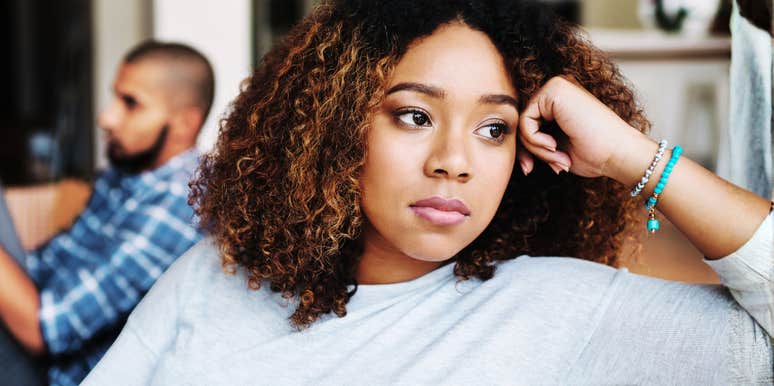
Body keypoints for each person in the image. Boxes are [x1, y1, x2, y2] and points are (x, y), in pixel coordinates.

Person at [85, 1, 773, 384]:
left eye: (495, 128)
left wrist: (637, 158)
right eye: (414, 115)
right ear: (334, 124)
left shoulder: (561, 309)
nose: (454, 162)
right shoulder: (214, 275)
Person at [0, 41, 214, 386]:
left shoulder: (177, 204)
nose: (106, 117)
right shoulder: (128, 174)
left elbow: (48, 330)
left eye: (130, 104)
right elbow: (46, 265)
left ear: (184, 123)